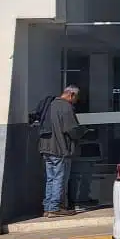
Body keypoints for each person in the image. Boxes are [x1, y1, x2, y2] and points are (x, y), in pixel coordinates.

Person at [38, 85, 86, 218]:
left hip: (46, 148)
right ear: (71, 95)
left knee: (50, 178)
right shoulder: (66, 107)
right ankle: (55, 208)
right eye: (76, 98)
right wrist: (84, 131)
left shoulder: (50, 105)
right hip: (60, 148)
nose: (75, 101)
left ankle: (48, 207)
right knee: (60, 178)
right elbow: (71, 129)